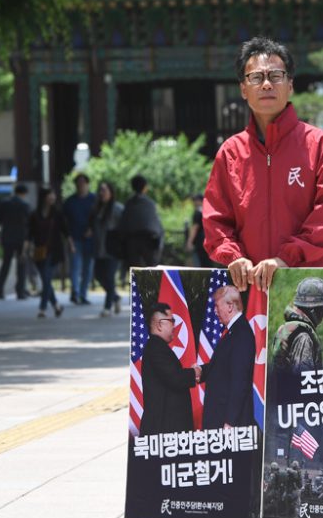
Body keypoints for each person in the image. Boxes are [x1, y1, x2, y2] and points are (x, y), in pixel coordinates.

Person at [203, 36, 323, 293]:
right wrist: (233, 256)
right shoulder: (230, 153)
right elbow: (216, 219)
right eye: (256, 78)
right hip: (248, 289)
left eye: (276, 76)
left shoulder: (321, 145)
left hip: (307, 286)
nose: (267, 84)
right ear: (243, 89)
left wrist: (286, 258)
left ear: (290, 85)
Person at [198, 285, 255, 429]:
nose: (215, 311)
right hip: (220, 418)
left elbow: (239, 380)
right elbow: (222, 367)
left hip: (228, 424)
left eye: (217, 306)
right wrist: (201, 370)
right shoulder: (232, 331)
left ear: (230, 306)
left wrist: (230, 421)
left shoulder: (241, 333)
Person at [139, 302, 200, 435]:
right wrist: (195, 372)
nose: (174, 325)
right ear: (159, 324)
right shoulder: (156, 348)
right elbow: (175, 378)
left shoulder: (158, 347)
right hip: (164, 429)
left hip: (167, 427)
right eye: (172, 321)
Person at [272, 277, 323, 371]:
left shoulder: (288, 329)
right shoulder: (303, 336)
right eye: (322, 309)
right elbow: (303, 380)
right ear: (312, 309)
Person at [28, 186, 72, 319]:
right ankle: (57, 305)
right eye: (50, 195)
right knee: (46, 280)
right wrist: (25, 249)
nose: (52, 197)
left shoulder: (57, 213)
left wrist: (71, 245)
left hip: (54, 251)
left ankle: (42, 308)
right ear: (43, 197)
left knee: (46, 279)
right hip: (39, 251)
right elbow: (29, 233)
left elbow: (66, 231)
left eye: (53, 195)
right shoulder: (35, 215)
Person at [90, 180, 124, 317]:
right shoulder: (97, 208)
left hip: (112, 249)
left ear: (111, 192)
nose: (101, 193)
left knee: (109, 277)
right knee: (98, 275)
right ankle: (115, 297)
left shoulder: (117, 208)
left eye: (104, 190)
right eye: (100, 190)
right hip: (99, 248)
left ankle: (107, 307)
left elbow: (124, 227)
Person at [62, 173, 96, 305]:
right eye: (78, 183)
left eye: (83, 183)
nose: (81, 185)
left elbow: (99, 218)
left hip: (90, 240)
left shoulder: (94, 200)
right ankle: (75, 292)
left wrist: (92, 230)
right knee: (75, 267)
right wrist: (68, 238)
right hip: (74, 238)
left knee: (88, 268)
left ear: (87, 184)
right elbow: (64, 222)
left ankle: (83, 294)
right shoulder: (69, 202)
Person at [0, 183, 31, 300]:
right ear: (24, 194)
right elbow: (29, 223)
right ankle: (20, 291)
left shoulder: (4, 203)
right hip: (21, 237)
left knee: (5, 264)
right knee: (21, 265)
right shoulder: (25, 205)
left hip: (7, 237)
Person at [119, 174, 164, 268]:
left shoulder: (129, 203)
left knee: (135, 270)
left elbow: (123, 223)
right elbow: (157, 225)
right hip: (149, 240)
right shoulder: (150, 203)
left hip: (131, 241)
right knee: (152, 269)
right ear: (145, 187)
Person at [185, 193, 212, 267]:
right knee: (208, 262)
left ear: (200, 201)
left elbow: (195, 228)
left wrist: (189, 242)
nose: (193, 202)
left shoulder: (197, 212)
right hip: (209, 239)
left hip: (200, 240)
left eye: (195, 200)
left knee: (201, 262)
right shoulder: (208, 211)